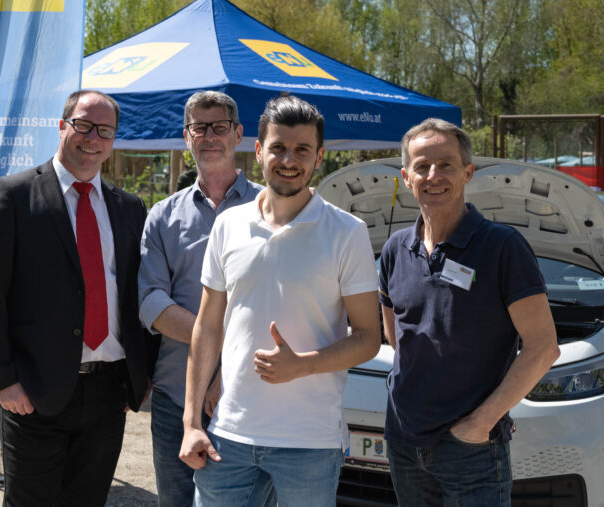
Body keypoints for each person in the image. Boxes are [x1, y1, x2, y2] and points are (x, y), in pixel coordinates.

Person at [179, 95, 380, 506]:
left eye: (302, 149)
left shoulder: (347, 232)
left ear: (319, 157)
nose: (289, 159)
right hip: (228, 436)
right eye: (279, 147)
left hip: (310, 443)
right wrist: (190, 421)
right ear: (257, 150)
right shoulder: (228, 225)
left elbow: (367, 337)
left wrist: (301, 366)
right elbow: (207, 325)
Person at [0, 90, 153, 506]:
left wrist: (140, 374)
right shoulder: (13, 196)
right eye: (84, 125)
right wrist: (3, 380)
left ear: (113, 140)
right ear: (62, 125)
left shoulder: (129, 208)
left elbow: (138, 294)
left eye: (104, 131)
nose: (93, 138)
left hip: (108, 392)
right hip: (33, 391)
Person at [378, 118, 559, 506]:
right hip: (404, 444)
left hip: (471, 449)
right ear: (407, 178)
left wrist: (481, 422)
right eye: (422, 166)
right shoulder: (395, 249)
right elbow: (398, 339)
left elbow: (543, 347)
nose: (433, 175)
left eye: (446, 165)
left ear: (468, 173)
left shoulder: (502, 247)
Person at [138, 91, 262, 507]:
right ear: (185, 137)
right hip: (176, 398)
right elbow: (151, 302)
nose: (209, 136)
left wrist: (228, 370)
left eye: (219, 126)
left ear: (239, 134)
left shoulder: (272, 208)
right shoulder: (163, 216)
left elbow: (281, 301)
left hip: (254, 397)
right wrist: (220, 349)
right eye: (199, 127)